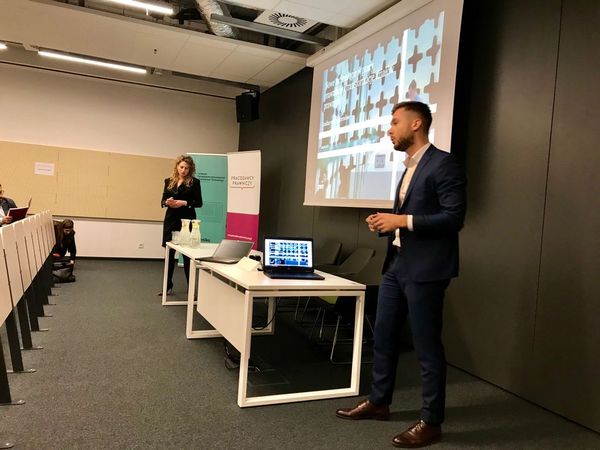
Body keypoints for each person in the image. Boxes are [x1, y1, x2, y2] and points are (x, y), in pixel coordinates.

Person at [335, 101, 467, 448]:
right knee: (383, 337)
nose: (389, 129)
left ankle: (431, 421)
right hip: (396, 264)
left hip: (426, 270)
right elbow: (409, 218)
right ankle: (379, 402)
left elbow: (454, 218)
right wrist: (388, 224)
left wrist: (401, 220)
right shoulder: (409, 167)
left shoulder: (444, 163)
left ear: (416, 123)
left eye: (395, 122)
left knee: (426, 346)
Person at [160, 155, 203, 295]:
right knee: (169, 255)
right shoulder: (169, 181)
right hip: (171, 220)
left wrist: (184, 203)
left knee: (187, 256)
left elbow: (199, 203)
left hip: (186, 222)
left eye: (186, 168)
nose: (183, 170)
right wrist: (167, 202)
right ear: (177, 167)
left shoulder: (194, 183)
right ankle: (167, 286)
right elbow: (162, 201)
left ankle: (191, 288)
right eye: (181, 167)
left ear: (190, 169)